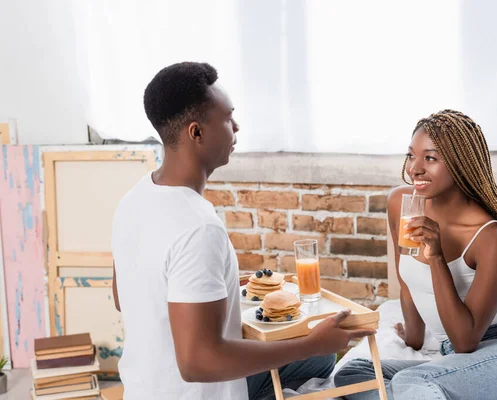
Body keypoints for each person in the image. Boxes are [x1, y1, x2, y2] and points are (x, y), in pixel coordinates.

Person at [110, 62, 374, 400]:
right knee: (318, 351)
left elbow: (125, 296)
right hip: (197, 391)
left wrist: (217, 286)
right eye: (227, 118)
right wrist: (309, 344)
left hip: (144, 390)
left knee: (320, 356)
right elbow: (198, 363)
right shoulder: (198, 227)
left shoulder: (134, 199)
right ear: (197, 133)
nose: (236, 126)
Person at [334, 110, 497, 399]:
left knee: (413, 381)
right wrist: (412, 337)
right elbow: (408, 281)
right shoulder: (402, 203)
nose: (415, 169)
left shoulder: (491, 238)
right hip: (453, 358)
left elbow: (464, 341)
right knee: (354, 375)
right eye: (412, 156)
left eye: (430, 158)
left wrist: (436, 258)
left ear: (461, 164)